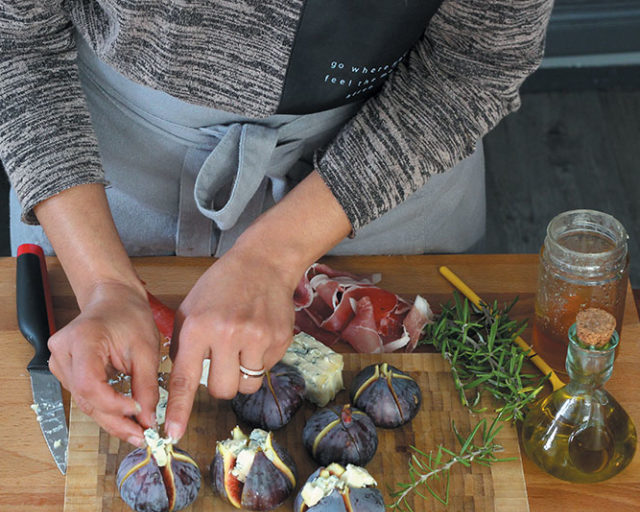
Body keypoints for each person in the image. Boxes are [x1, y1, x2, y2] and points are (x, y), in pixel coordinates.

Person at [0, 1, 554, 448]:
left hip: (395, 160)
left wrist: (271, 254)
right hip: (105, 170)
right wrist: (104, 284)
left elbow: (477, 61)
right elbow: (16, 35)